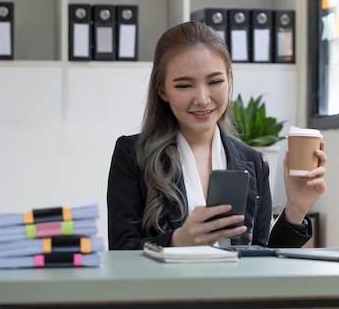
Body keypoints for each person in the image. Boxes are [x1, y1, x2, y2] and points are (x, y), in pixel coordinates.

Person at [107, 20, 327, 250]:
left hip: (235, 287)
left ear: (229, 79)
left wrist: (296, 208)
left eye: (215, 81)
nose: (202, 99)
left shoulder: (253, 162)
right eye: (184, 85)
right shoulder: (133, 155)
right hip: (166, 286)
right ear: (162, 90)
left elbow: (263, 257)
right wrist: (177, 241)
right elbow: (121, 249)